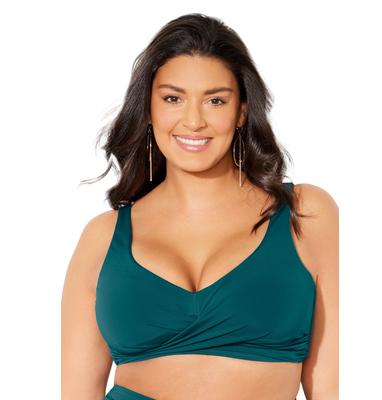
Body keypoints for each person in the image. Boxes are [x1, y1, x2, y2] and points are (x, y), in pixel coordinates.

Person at [61, 13, 339, 400]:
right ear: (150, 108)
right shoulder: (103, 237)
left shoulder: (306, 214)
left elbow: (332, 384)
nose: (193, 121)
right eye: (173, 99)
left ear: (241, 111)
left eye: (215, 100)